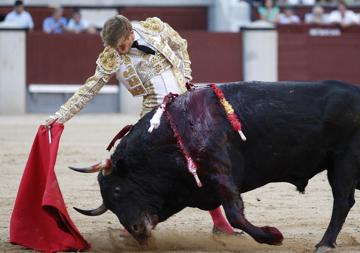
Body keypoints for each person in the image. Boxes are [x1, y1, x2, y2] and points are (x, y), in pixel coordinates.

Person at [44, 15, 236, 235]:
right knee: (139, 168)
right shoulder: (111, 56)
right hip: (153, 114)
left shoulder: (153, 27)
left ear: (129, 33)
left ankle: (220, 222)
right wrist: (60, 116)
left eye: (122, 45)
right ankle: (134, 219)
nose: (120, 51)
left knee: (203, 161)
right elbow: (89, 89)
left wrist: (185, 74)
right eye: (115, 48)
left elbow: (181, 44)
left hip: (185, 105)